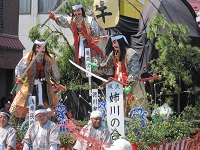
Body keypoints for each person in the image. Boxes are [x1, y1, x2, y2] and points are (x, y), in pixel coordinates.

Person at [49, 4, 110, 78]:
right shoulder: (71, 20)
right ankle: (88, 80)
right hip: (80, 44)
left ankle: (98, 78)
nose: (76, 13)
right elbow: (63, 20)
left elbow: (96, 32)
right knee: (84, 67)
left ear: (82, 11)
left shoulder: (89, 20)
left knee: (95, 64)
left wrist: (91, 32)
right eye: (74, 11)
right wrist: (54, 17)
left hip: (92, 42)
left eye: (78, 10)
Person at [9, 39, 66, 118]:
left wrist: (57, 82)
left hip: (45, 85)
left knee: (51, 105)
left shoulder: (50, 58)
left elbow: (55, 71)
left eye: (43, 47)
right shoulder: (28, 57)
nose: (41, 49)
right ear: (35, 47)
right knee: (21, 104)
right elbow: (19, 69)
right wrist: (19, 76)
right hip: (30, 85)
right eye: (38, 47)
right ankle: (21, 121)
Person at [96, 34, 147, 115]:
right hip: (118, 86)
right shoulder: (114, 53)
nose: (113, 45)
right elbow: (106, 65)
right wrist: (97, 66)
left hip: (131, 86)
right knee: (120, 111)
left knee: (135, 109)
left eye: (115, 42)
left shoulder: (131, 54)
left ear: (121, 41)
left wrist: (129, 84)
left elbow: (134, 72)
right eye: (112, 43)